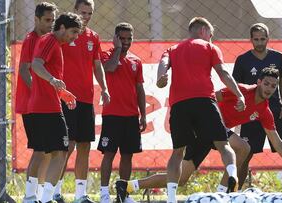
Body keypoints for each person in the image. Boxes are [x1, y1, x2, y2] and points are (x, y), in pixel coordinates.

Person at [124, 68, 282, 194]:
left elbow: (277, 141)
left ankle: (129, 186)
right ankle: (223, 193)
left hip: (214, 134)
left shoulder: (264, 111)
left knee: (180, 179)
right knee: (243, 147)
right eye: (267, 84)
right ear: (259, 81)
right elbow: (211, 98)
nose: (270, 89)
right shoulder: (240, 90)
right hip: (205, 125)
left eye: (274, 86)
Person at [156, 17, 246, 203]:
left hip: (180, 105)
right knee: (224, 145)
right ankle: (232, 174)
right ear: (203, 31)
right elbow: (223, 73)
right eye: (211, 35)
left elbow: (163, 65)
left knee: (177, 152)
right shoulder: (210, 47)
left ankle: (171, 198)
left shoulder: (173, 49)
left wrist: (161, 78)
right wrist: (239, 94)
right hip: (205, 101)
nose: (211, 39)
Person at [232, 23, 282, 194]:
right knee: (245, 154)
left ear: (268, 39)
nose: (259, 42)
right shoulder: (242, 60)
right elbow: (235, 86)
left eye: (263, 39)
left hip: (276, 112)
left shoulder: (278, 57)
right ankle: (234, 194)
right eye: (256, 39)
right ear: (251, 40)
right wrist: (239, 105)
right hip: (251, 114)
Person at [53, 1, 110, 202]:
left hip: (86, 98)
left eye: (90, 13)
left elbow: (97, 65)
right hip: (66, 97)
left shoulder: (93, 37)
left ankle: (80, 194)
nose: (86, 16)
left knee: (85, 145)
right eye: (83, 12)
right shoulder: (64, 35)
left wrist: (104, 88)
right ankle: (55, 190)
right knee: (66, 146)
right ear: (75, 11)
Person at [28, 12, 82, 203]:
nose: (75, 37)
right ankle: (46, 199)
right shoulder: (51, 41)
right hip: (48, 108)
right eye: (73, 32)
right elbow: (35, 65)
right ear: (61, 28)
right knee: (61, 152)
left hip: (39, 105)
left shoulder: (49, 42)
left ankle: (29, 198)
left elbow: (43, 74)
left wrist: (61, 92)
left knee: (39, 151)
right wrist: (52, 79)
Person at [97, 22, 146, 203]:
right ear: (116, 38)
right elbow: (109, 68)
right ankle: (104, 194)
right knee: (109, 154)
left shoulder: (136, 61)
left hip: (131, 116)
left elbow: (140, 89)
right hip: (112, 115)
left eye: (129, 39)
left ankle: (122, 193)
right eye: (122, 38)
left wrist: (143, 115)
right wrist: (117, 49)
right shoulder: (106, 55)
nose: (126, 42)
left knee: (127, 155)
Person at [15, 2, 57, 202]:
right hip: (32, 105)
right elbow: (24, 69)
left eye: (53, 20)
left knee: (48, 151)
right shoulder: (31, 40)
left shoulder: (49, 41)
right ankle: (30, 196)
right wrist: (37, 93)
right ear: (36, 19)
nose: (50, 24)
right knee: (40, 150)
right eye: (47, 20)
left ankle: (39, 194)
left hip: (45, 104)